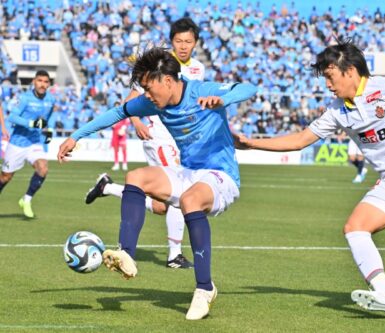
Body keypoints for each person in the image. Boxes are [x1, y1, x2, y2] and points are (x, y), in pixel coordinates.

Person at [235, 39, 385, 316]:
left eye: (329, 76)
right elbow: (301, 139)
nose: (327, 84)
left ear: (349, 71)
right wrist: (252, 143)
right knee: (355, 227)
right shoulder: (338, 110)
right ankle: (383, 292)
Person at [58, 47, 257, 320]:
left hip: (221, 176)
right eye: (143, 89)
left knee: (190, 201)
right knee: (135, 178)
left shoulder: (201, 90)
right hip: (188, 171)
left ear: (167, 80)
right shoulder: (151, 102)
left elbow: (247, 87)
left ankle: (204, 288)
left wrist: (224, 99)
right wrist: (75, 136)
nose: (146, 95)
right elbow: (117, 113)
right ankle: (126, 254)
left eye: (148, 88)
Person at [85, 17, 205, 269]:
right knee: (181, 193)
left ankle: (107, 188)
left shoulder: (198, 69)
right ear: (171, 41)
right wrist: (137, 122)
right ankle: (174, 255)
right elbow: (132, 98)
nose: (183, 46)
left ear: (195, 43)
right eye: (178, 41)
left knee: (161, 205)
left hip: (181, 139)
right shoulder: (159, 65)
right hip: (159, 138)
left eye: (188, 41)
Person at [0, 70, 55, 218]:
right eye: (39, 81)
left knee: (43, 168)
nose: (42, 84)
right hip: (17, 142)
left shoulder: (51, 100)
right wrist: (31, 123)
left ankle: (27, 199)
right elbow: (11, 117)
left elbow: (48, 118)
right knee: (5, 177)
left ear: (49, 84)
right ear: (34, 82)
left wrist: (49, 130)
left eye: (45, 81)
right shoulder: (25, 98)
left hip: (34, 142)